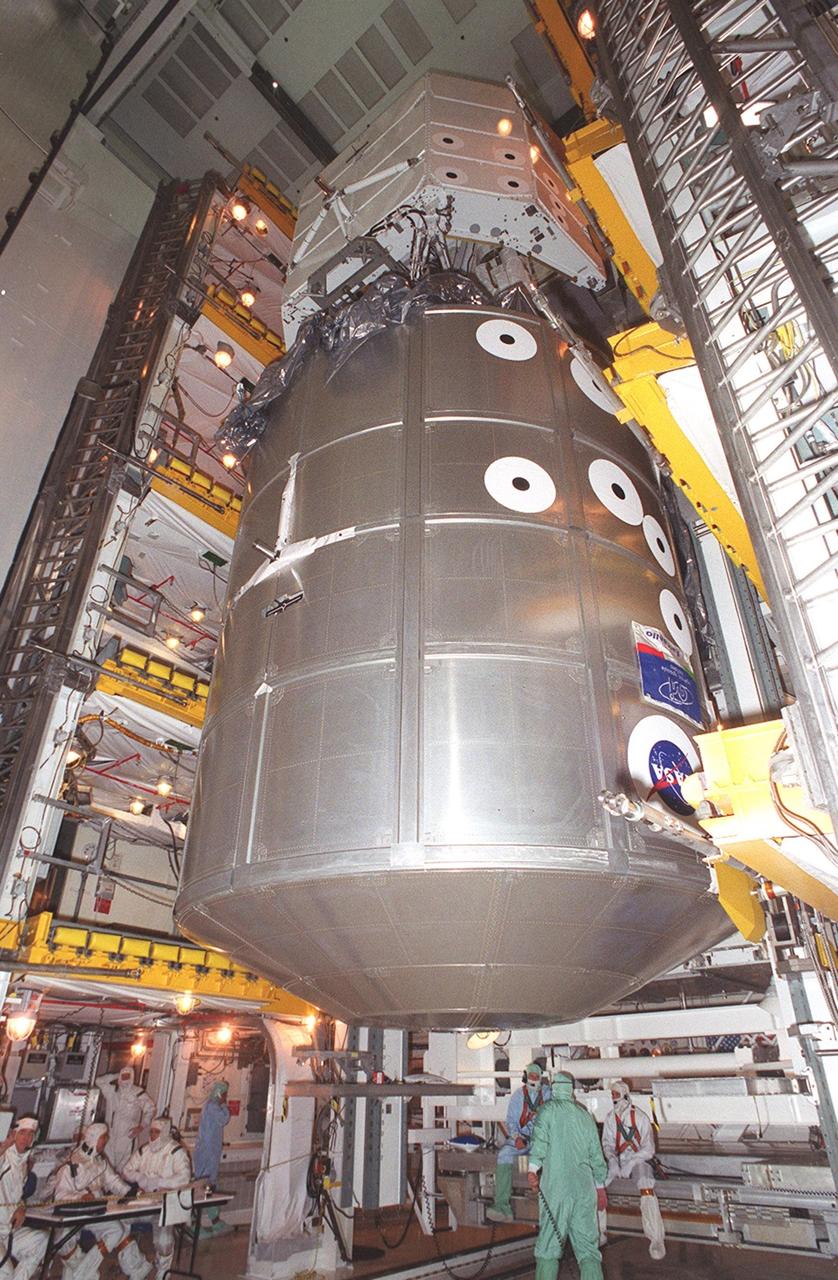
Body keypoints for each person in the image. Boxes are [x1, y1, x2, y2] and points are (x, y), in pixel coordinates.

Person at [527, 1072, 607, 1280]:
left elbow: (539, 1144)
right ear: (571, 1089)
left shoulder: (547, 1111)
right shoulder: (585, 1116)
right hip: (584, 1191)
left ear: (554, 1088)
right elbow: (597, 1157)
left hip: (556, 1190)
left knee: (548, 1246)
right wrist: (600, 1187)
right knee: (588, 1250)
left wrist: (532, 1169)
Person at [52, 1122, 150, 1280]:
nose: (106, 1140)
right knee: (64, 1242)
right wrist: (79, 1198)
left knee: (117, 1229)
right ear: (93, 1139)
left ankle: (83, 1274)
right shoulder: (71, 1164)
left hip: (96, 1211)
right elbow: (59, 1196)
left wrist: (132, 1192)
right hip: (73, 1213)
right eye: (103, 1137)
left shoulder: (101, 1162)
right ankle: (81, 1273)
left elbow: (114, 1182)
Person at [602, 1080, 665, 1260]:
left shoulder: (640, 1117)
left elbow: (649, 1148)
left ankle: (656, 1238)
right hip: (618, 1161)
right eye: (612, 1095)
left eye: (616, 1094)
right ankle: (599, 1232)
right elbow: (607, 1144)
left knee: (646, 1185)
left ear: (625, 1095)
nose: (614, 1098)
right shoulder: (610, 1118)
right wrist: (612, 1161)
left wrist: (632, 1162)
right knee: (598, 1184)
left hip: (639, 1161)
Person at [123, 1117, 191, 1280]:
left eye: (157, 1132)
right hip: (144, 1201)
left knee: (164, 1241)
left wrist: (161, 1182)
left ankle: (163, 1272)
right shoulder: (144, 1150)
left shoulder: (176, 1152)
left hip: (165, 1204)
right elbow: (127, 1170)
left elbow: (184, 1177)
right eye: (151, 1131)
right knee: (119, 1224)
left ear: (165, 1132)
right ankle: (136, 1264)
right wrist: (140, 1178)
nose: (152, 1135)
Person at [486, 1062, 551, 1223]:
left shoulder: (548, 1094)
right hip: (522, 1139)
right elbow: (511, 1121)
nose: (533, 1079)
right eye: (531, 1076)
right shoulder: (518, 1096)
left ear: (541, 1078)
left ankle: (551, 1206)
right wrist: (516, 1138)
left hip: (542, 1141)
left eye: (536, 1076)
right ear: (525, 1077)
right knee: (504, 1154)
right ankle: (502, 1205)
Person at [0, 1115, 47, 1280]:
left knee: (41, 1241)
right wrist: (5, 1145)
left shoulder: (23, 1163)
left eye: (30, 1134)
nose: (26, 1138)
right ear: (14, 1134)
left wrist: (21, 1206)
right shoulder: (4, 1156)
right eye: (22, 1133)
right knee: (5, 1272)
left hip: (8, 1230)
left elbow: (16, 1194)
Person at [95, 1068, 155, 1172]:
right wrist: (116, 1075)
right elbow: (99, 1081)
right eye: (123, 1076)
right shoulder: (112, 1092)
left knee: (124, 1169)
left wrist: (141, 1126)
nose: (125, 1078)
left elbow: (150, 1109)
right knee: (107, 1167)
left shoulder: (137, 1092)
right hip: (110, 1136)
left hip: (127, 1137)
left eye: (128, 1076)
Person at [192, 1081, 230, 1236]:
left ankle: (215, 1221)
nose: (226, 1097)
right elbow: (224, 1119)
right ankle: (194, 1223)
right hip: (207, 1153)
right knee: (203, 1188)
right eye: (224, 1094)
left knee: (208, 1188)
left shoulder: (210, 1106)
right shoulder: (213, 1107)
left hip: (209, 1152)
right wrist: (225, 1106)